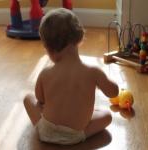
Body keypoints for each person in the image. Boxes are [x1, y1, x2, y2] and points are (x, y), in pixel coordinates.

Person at [24, 8, 119, 145]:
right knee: (107, 116)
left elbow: (40, 99)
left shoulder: (45, 73)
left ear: (48, 48)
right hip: (75, 135)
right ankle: (82, 133)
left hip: (45, 132)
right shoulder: (93, 72)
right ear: (79, 38)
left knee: (28, 98)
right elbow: (113, 92)